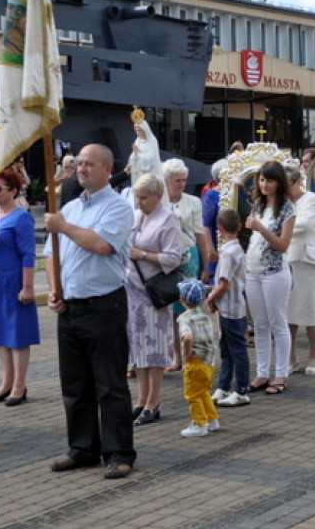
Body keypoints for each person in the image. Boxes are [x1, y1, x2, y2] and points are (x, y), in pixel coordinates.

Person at [45, 143, 136, 480]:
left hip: (103, 306)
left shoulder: (117, 208)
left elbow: (101, 245)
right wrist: (55, 289)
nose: (82, 169)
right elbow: (52, 256)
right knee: (75, 384)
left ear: (107, 170)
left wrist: (63, 227)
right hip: (70, 307)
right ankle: (82, 448)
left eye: (90, 164)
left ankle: (119, 452)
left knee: (109, 384)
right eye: (80, 163)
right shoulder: (68, 207)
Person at [124, 172, 182, 425]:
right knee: (137, 347)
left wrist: (143, 254)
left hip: (154, 292)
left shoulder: (168, 220)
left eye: (144, 197)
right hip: (132, 289)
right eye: (137, 196)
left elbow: (173, 258)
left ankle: (153, 402)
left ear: (159, 196)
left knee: (154, 348)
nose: (139, 201)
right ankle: (140, 399)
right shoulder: (137, 216)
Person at [0, 169, 38, 408]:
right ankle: (6, 382)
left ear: (13, 191)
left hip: (12, 282)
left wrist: (28, 286)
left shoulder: (21, 217)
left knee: (17, 334)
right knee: (0, 334)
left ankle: (19, 385)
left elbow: (28, 253)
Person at [244, 160, 295, 395]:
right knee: (260, 325)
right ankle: (262, 373)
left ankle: (281, 375)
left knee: (278, 323)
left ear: (279, 183)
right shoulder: (258, 204)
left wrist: (262, 229)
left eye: (270, 180)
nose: (264, 184)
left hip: (274, 272)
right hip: (253, 270)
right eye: (262, 180)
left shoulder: (287, 209)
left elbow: (283, 245)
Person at [162, 158, 212, 369]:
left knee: (190, 307)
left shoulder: (193, 201)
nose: (181, 184)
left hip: (189, 256)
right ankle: (176, 356)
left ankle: (196, 353)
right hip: (166, 257)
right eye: (177, 180)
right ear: (166, 181)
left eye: (184, 180)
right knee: (171, 310)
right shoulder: (159, 200)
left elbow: (200, 234)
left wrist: (206, 266)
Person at [284, 164, 315, 373]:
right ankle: (291, 357)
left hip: (308, 261)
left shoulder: (310, 198)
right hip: (287, 259)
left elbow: (306, 224)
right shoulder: (282, 201)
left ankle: (314, 355)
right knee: (289, 311)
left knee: (311, 309)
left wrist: (281, 226)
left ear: (297, 182)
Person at [208, 208, 251, 405]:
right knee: (227, 347)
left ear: (220, 228)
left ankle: (241, 388)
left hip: (231, 308)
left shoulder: (227, 253)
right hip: (232, 307)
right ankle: (224, 386)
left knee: (236, 349)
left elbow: (224, 284)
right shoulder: (237, 249)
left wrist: (211, 298)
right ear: (240, 226)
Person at [176, 278, 221, 437]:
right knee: (204, 392)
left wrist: (186, 354)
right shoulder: (205, 316)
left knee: (193, 394)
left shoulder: (185, 318)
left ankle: (199, 423)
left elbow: (187, 338)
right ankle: (212, 420)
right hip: (209, 361)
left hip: (195, 362)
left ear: (181, 299)